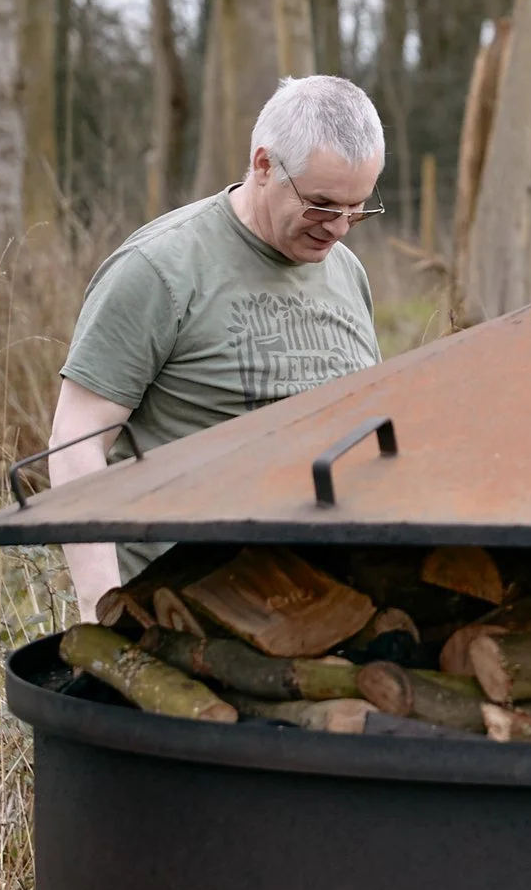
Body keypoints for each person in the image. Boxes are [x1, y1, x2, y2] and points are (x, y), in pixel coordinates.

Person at [49, 74, 386, 612]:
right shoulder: (160, 269)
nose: (340, 228)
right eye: (322, 205)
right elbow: (75, 443)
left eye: (358, 208)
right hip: (182, 614)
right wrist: (102, 608)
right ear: (263, 165)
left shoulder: (346, 272)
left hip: (324, 607)